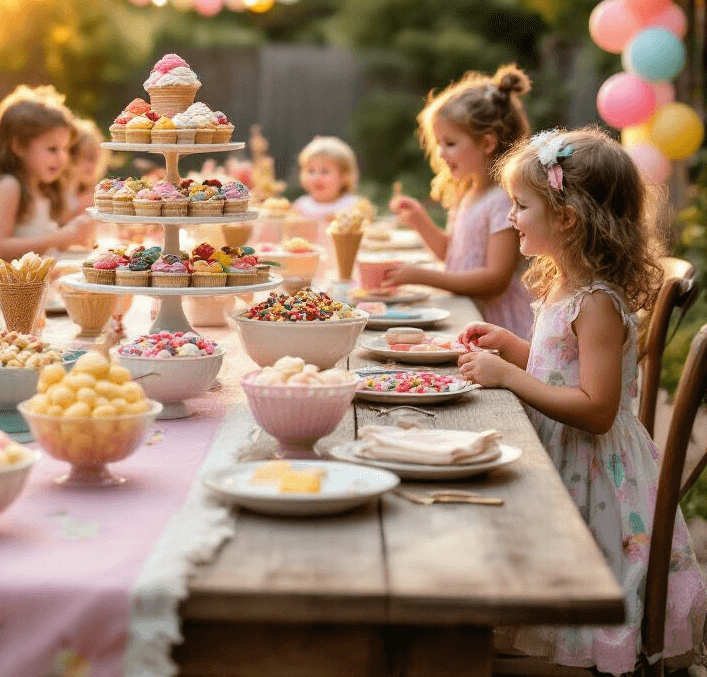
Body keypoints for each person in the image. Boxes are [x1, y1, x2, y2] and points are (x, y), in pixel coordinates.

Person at [459, 128, 706, 674]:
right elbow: (558, 368)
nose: (511, 218)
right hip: (568, 452)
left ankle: (579, 654)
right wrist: (515, 349)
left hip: (592, 471)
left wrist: (507, 377)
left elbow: (596, 408)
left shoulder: (595, 302)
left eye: (521, 207)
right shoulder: (571, 286)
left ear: (566, 219)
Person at [386, 65, 534, 339]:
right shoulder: (469, 193)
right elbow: (453, 255)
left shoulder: (502, 200)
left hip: (499, 327)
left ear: (487, 143)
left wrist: (422, 276)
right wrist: (420, 221)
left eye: (450, 143)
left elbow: (495, 279)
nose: (441, 153)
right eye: (438, 143)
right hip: (471, 316)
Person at [0, 85, 92, 262]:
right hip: (3, 286)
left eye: (65, 148)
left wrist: (73, 235)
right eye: (52, 149)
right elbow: (2, 248)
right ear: (19, 146)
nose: (62, 158)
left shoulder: (40, 188)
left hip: (31, 283)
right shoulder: (8, 186)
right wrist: (60, 237)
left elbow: (39, 246)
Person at [292, 136, 361, 221]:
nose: (317, 178)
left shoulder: (354, 206)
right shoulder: (300, 207)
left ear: (344, 176)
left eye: (324, 171)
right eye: (311, 171)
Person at [65, 118, 109, 218]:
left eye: (96, 159)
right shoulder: (56, 192)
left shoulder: (90, 190)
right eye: (89, 158)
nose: (94, 165)